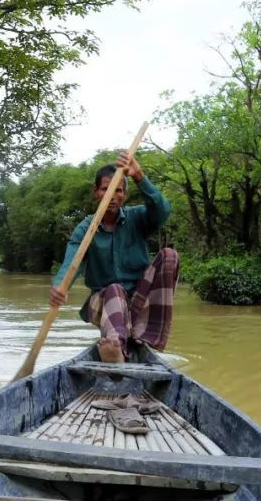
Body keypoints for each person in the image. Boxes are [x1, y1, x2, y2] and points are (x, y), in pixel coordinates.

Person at [49, 150, 178, 363]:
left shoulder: (137, 218)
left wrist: (139, 176)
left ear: (124, 194)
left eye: (117, 190)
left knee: (169, 256)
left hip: (137, 302)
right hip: (103, 302)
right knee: (114, 289)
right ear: (96, 192)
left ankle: (146, 338)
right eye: (105, 189)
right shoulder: (86, 228)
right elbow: (72, 263)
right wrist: (60, 286)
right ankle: (116, 347)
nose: (111, 196)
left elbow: (162, 211)